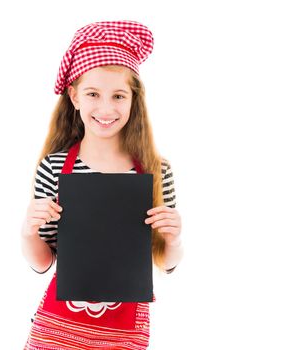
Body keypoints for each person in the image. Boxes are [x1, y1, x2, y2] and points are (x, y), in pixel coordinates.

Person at [22, 20, 183, 350]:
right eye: (93, 94)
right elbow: (42, 262)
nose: (106, 108)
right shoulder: (53, 167)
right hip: (58, 329)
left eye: (119, 96)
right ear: (75, 96)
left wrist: (173, 237)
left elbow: (166, 262)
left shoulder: (156, 170)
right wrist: (29, 230)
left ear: (133, 99)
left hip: (124, 332)